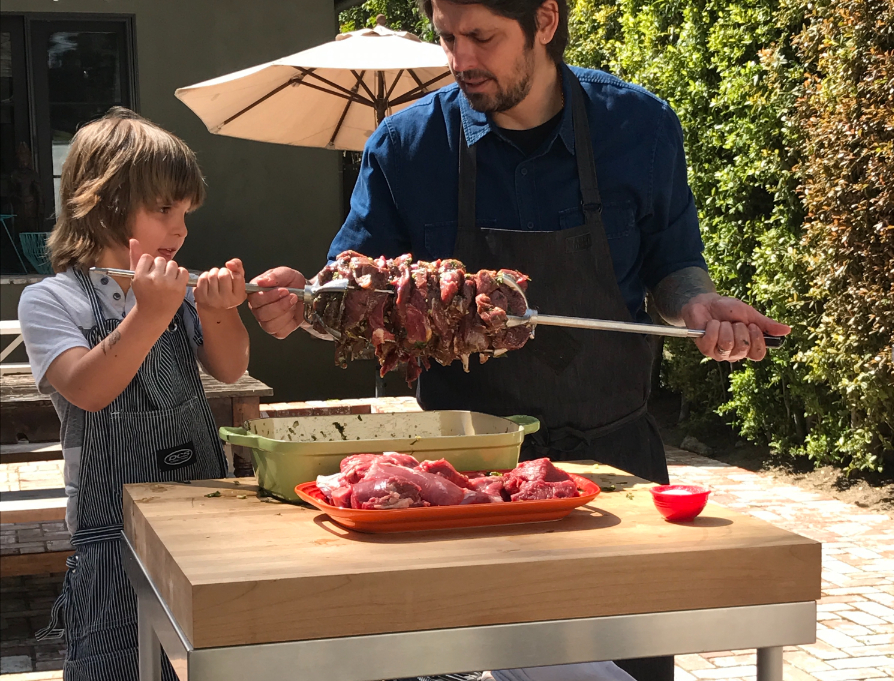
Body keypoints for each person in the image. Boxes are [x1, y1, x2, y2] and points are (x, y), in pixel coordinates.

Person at [247, 0, 790, 678]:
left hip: (614, 468)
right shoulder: (406, 145)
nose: (460, 60)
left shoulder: (639, 126)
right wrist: (301, 302)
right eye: (447, 37)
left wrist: (698, 303)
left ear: (543, 20)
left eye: (481, 37)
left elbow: (670, 267)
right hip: (458, 479)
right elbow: (349, 295)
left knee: (628, 665)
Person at [18, 107, 250, 681]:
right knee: (117, 667)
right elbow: (87, 390)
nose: (181, 230)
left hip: (201, 517)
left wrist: (220, 311)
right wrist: (150, 314)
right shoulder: (51, 301)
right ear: (102, 203)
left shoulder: (177, 288)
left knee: (207, 658)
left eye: (187, 213)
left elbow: (231, 367)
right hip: (112, 537)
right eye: (164, 209)